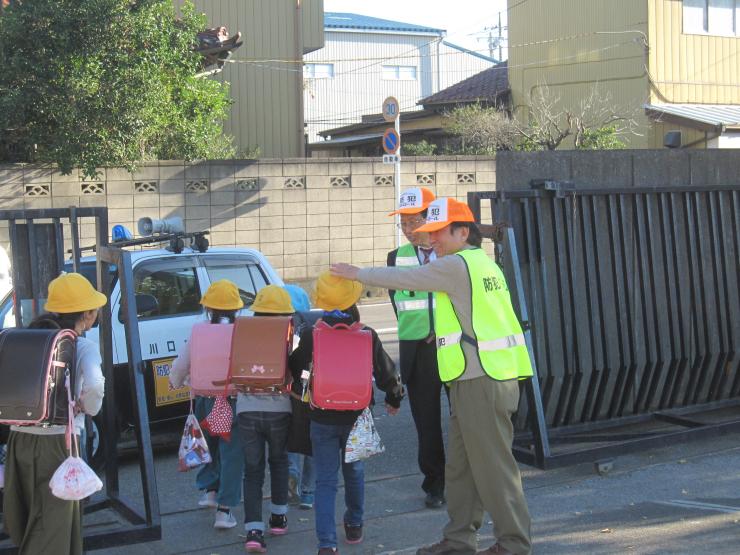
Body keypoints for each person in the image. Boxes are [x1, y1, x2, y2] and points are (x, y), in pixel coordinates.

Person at [331, 198, 533, 555]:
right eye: (429, 233)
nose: (431, 240)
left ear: (462, 231)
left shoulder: (457, 265)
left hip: (481, 380)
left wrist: (357, 273)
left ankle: (513, 544)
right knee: (462, 468)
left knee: (493, 468)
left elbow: (405, 277)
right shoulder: (483, 264)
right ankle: (458, 540)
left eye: (438, 232)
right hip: (482, 377)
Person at [289, 272, 404, 555]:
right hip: (357, 418)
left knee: (325, 481)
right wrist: (394, 398)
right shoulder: (366, 334)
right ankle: (354, 523)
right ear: (354, 298)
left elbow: (297, 369)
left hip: (321, 416)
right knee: (354, 473)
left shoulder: (312, 334)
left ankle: (326, 543)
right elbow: (387, 374)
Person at [2, 272, 107, 555]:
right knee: (55, 524)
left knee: (26, 515)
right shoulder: (82, 345)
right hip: (59, 442)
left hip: (18, 440)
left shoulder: (27, 337)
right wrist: (88, 407)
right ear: (86, 314)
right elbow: (96, 385)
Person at [387, 186, 446, 508]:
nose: (409, 230)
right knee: (427, 422)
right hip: (418, 353)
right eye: (404, 224)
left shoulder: (453, 251)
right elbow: (399, 307)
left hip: (454, 348)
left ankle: (468, 480)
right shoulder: (396, 259)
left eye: (414, 222)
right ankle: (435, 485)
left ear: (431, 218)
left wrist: (438, 330)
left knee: (466, 419)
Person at [170, 279, 244, 530]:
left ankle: (211, 491)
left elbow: (181, 364)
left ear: (208, 309)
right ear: (236, 309)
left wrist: (175, 381)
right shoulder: (241, 332)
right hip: (231, 402)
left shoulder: (198, 331)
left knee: (209, 447)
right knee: (232, 454)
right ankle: (224, 511)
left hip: (203, 401)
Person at [237, 284, 295, 552]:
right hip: (280, 409)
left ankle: (253, 531)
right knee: (279, 462)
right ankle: (279, 517)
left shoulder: (242, 331)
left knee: (252, 471)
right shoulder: (292, 333)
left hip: (247, 408)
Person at [283, 284, 316, 510]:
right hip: (315, 392)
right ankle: (308, 493)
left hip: (292, 392)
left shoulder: (282, 328)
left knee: (291, 436)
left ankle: (291, 473)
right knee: (314, 441)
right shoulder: (311, 328)